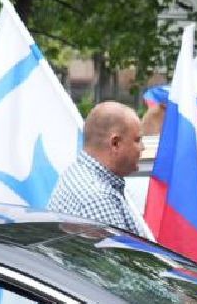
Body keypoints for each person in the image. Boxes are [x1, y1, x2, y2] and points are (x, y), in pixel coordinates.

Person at [48, 101, 150, 235]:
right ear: (115, 143)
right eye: (137, 140)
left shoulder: (79, 173)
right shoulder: (98, 199)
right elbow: (120, 249)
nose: (142, 147)